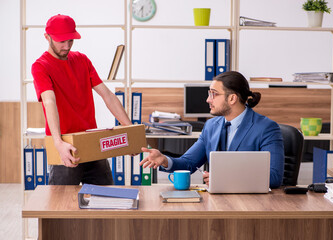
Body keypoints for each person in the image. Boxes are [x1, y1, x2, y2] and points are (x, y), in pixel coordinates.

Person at [32, 14, 132, 185]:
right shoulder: (41, 66)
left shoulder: (82, 60)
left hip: (91, 142)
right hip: (66, 145)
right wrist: (58, 143)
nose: (66, 46)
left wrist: (130, 130)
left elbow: (107, 95)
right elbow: (49, 102)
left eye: (70, 41)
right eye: (61, 41)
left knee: (107, 200)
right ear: (47, 37)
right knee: (61, 207)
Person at [140, 71, 284, 188]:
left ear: (232, 98)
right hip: (217, 202)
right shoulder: (211, 126)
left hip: (250, 205)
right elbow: (188, 163)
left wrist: (225, 177)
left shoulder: (266, 128)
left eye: (213, 94)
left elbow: (274, 177)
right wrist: (165, 160)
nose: (208, 100)